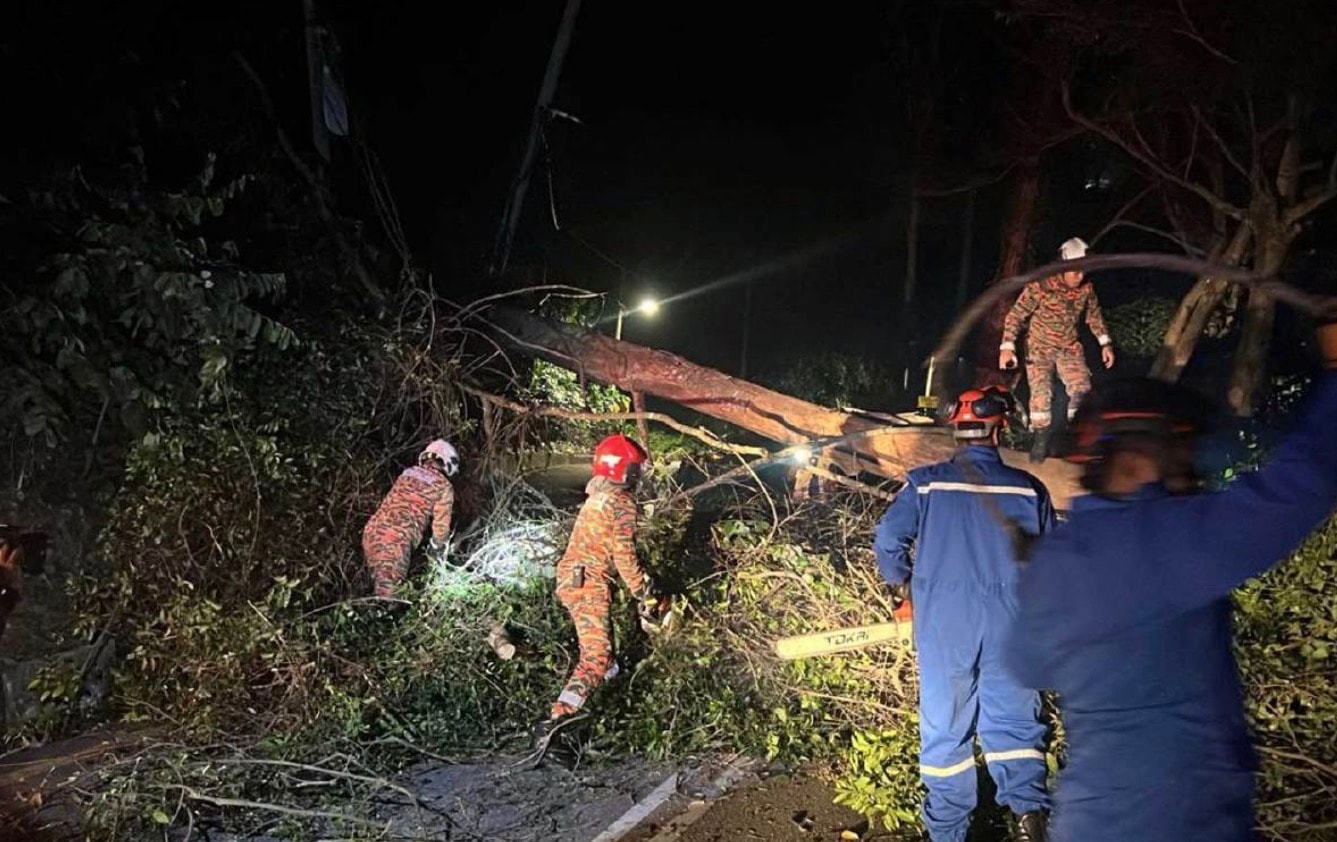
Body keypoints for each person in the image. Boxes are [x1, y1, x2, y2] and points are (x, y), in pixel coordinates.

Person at [1003, 322, 1337, 842]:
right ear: (1137, 457)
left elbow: (1026, 665)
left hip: (1089, 820)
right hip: (1174, 821)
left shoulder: (1061, 558)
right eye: (1183, 454)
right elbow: (1301, 485)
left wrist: (1045, 586)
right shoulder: (1163, 540)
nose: (1192, 475)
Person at [874, 386, 1055, 842]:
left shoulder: (926, 484)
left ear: (956, 428)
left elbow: (888, 543)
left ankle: (949, 832)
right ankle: (1029, 821)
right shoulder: (1029, 489)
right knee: (1015, 723)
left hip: (945, 623)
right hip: (1013, 622)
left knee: (946, 729)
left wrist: (905, 589)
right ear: (1000, 428)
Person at [531, 433, 669, 767]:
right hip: (587, 583)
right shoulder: (621, 502)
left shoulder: (597, 497)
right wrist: (643, 592)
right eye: (636, 470)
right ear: (624, 471)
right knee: (596, 657)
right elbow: (624, 555)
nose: (639, 477)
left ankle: (595, 714)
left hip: (574, 579)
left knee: (609, 663)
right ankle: (555, 726)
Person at [999, 237, 1115, 463]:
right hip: (1039, 347)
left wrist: (1105, 343)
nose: (1080, 276)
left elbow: (1094, 316)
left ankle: (1077, 438)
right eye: (1075, 271)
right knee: (1041, 394)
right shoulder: (1041, 285)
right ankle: (1040, 439)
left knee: (1082, 389)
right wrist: (1007, 347)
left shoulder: (1086, 289)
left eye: (1084, 271)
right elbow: (1016, 315)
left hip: (1069, 347)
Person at [362, 439, 459, 598]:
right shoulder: (443, 486)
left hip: (373, 531)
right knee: (389, 597)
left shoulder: (408, 473)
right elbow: (441, 527)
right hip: (395, 539)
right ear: (448, 463)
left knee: (378, 586)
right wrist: (438, 549)